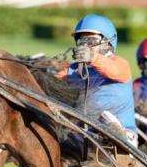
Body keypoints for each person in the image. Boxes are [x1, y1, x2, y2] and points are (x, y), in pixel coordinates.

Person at [56, 14, 137, 146]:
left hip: (123, 134)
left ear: (107, 43)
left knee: (106, 117)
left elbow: (112, 69)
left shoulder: (120, 64)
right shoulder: (73, 70)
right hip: (82, 132)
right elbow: (51, 85)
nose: (85, 46)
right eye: (82, 42)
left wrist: (92, 57)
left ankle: (117, 134)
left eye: (91, 41)